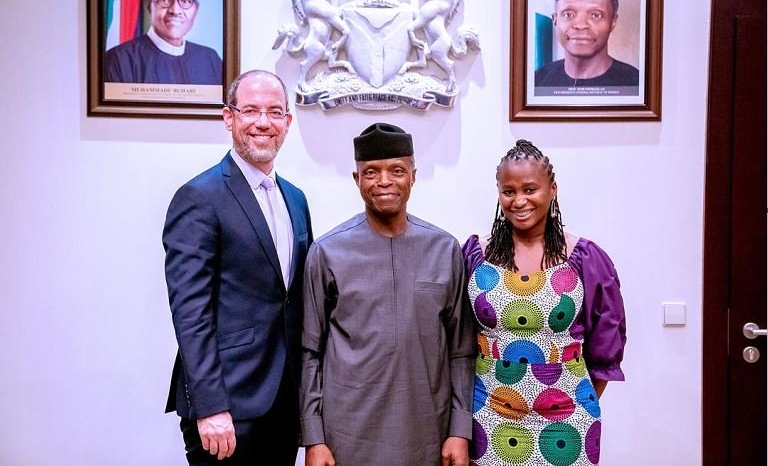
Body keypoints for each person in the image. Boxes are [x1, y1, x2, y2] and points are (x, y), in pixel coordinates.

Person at [300, 123, 475, 466]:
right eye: (371, 172)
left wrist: (459, 429)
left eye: (396, 170)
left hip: (428, 431)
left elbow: (462, 351)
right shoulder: (328, 252)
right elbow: (310, 352)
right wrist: (313, 438)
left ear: (413, 176)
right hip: (347, 436)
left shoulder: (444, 249)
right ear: (356, 179)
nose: (383, 181)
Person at [163, 69, 312, 465]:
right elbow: (190, 312)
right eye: (250, 111)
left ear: (287, 122)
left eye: (274, 112)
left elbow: (293, 301)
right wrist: (210, 406)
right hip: (226, 407)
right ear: (229, 117)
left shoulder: (295, 199)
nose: (263, 122)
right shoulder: (199, 197)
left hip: (282, 404)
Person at [463, 140, 627, 465]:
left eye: (530, 189)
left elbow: (606, 345)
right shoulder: (474, 256)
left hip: (567, 419)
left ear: (552, 190)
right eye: (508, 191)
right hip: (491, 415)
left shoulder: (584, 257)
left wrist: (576, 399)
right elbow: (456, 337)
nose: (519, 200)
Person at [105, 0, 222, 84]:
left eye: (186, 1)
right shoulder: (119, 59)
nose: (175, 10)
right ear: (150, 5)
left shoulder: (211, 60)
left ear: (196, 9)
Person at [534, 0, 639, 88]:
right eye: (568, 14)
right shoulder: (537, 82)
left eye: (596, 15)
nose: (580, 25)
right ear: (555, 19)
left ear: (613, 21)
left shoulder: (636, 84)